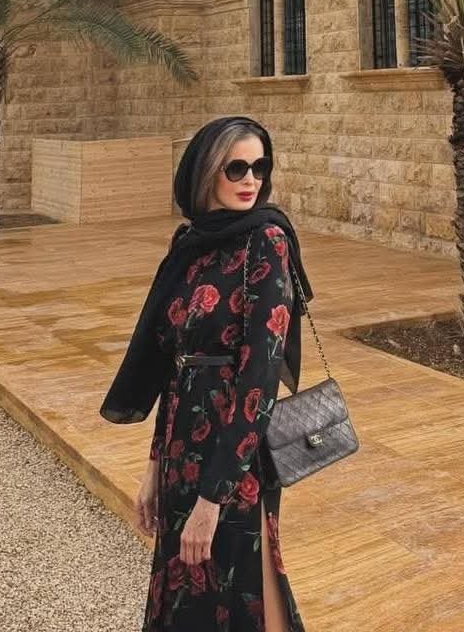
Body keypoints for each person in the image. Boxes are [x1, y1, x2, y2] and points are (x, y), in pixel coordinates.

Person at [100, 115, 312, 631]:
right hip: (180, 452)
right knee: (186, 602)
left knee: (248, 596)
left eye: (259, 167)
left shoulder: (267, 242)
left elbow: (259, 378)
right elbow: (174, 372)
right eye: (235, 167)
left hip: (234, 457)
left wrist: (213, 497)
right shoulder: (189, 247)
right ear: (204, 172)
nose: (251, 180)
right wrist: (155, 468)